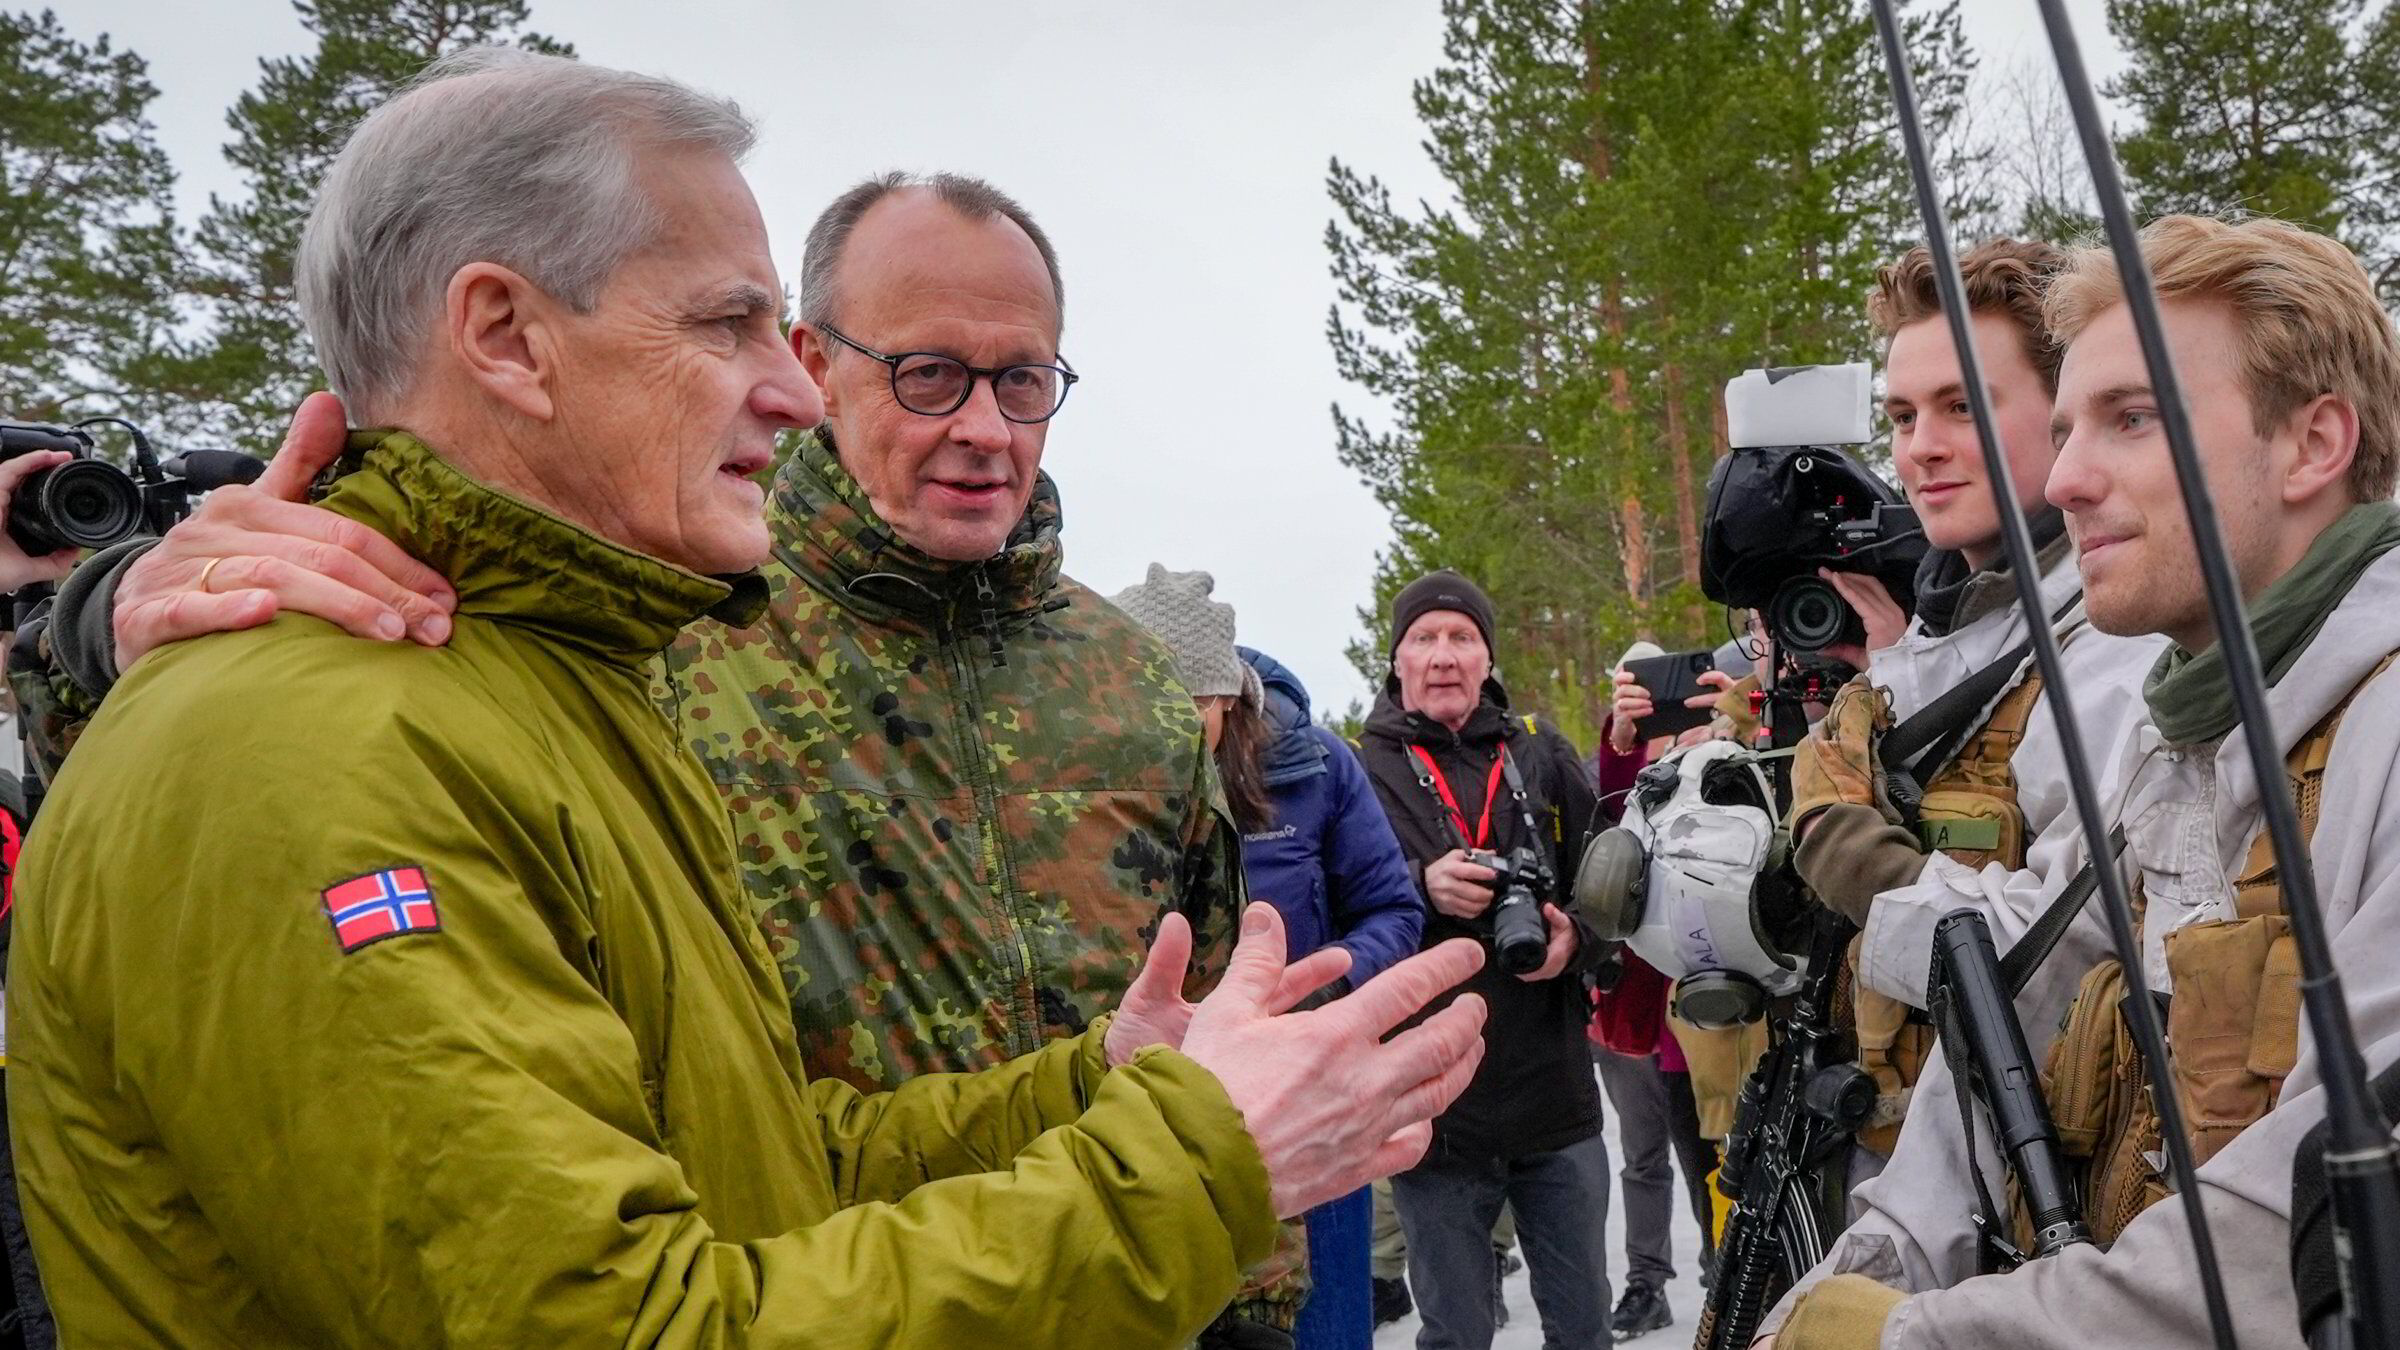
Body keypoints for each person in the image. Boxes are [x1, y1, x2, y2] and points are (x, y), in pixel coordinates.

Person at [1, 49, 1496, 1346]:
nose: (782, 393)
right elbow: (622, 1315)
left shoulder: (595, 673)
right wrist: (91, 620)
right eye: (729, 326)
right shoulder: (354, 730)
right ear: (505, 334)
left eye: (1024, 381)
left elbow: (754, 1159)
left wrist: (1107, 1103)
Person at [1766, 214, 2400, 1347]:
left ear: (2314, 444)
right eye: (2063, 431)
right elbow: (2007, 999)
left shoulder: (2382, 739)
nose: (2062, 480)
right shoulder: (2170, 749)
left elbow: (2311, 1213)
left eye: (2132, 419)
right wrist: (1863, 1275)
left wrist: (1916, 1336)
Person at [1782, 238, 2162, 1181]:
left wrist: (1860, 865)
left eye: (1964, 407)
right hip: (1903, 1145)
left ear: (2067, 414)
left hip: (2034, 1176)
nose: (1921, 447)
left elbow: (2072, 955)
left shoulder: (2116, 643)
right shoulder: (1944, 623)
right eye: (1902, 416)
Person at [1109, 563, 1428, 1349]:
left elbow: (1391, 909)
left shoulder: (1315, 768)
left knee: (1321, 1328)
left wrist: (1315, 998)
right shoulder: (1091, 785)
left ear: (1229, 698)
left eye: (1191, 707)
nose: (1171, 730)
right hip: (1145, 1112)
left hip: (1304, 1092)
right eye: (1147, 705)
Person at [1354, 569, 1612, 1350]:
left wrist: (1577, 940)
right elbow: (1332, 908)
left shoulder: (1541, 750)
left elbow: (1610, 884)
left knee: (1583, 1327)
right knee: (1456, 1332)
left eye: (1462, 637)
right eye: (1424, 638)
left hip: (1552, 1089)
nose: (1443, 655)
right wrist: (1419, 884)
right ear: (1397, 660)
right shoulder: (1361, 768)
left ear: (1487, 659)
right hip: (1434, 1107)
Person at [1593, 641, 1735, 1339]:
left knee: (1719, 1161)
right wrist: (1624, 743)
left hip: (1709, 1017)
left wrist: (1729, 731)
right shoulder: (1629, 768)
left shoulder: (1728, 753)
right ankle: (1664, 1281)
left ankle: (1727, 1276)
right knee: (1651, 1157)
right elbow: (1608, 826)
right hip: (1639, 1018)